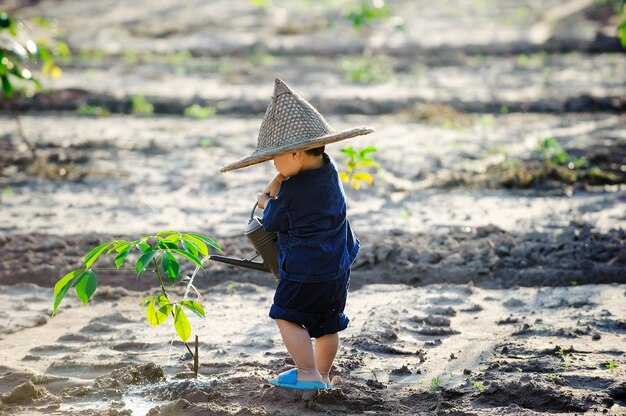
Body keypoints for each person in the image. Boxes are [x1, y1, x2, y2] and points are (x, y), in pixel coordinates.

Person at [220, 78, 373, 390]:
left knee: (287, 316)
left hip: (306, 269)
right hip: (337, 266)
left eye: (275, 157)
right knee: (328, 323)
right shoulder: (329, 170)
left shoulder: (291, 195)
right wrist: (280, 180)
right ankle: (323, 375)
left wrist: (266, 199)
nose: (273, 164)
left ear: (297, 153)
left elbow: (274, 221)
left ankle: (306, 374)